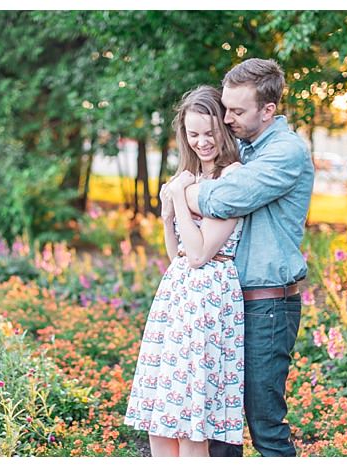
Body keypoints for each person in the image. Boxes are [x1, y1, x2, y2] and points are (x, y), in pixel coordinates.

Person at [183, 58, 314, 457]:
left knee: (264, 423)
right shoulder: (242, 148)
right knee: (221, 422)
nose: (226, 118)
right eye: (226, 107)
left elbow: (224, 199)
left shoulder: (286, 152)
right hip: (226, 303)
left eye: (237, 111)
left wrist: (179, 193)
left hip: (268, 304)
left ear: (268, 110)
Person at [124, 85, 245, 457]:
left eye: (209, 133)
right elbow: (176, 253)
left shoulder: (233, 177)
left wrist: (177, 196)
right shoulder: (191, 176)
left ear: (223, 129)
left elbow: (199, 253)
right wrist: (165, 218)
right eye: (193, 134)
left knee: (192, 425)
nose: (202, 142)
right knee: (161, 423)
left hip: (209, 300)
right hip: (177, 297)